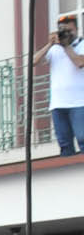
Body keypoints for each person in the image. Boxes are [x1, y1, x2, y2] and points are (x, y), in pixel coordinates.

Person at [41, 14, 84, 155]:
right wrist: (49, 44)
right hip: (58, 104)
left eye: (69, 30)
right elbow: (33, 62)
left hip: (79, 102)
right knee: (64, 144)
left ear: (76, 30)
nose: (67, 34)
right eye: (63, 31)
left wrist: (66, 46)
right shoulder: (54, 49)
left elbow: (79, 62)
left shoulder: (81, 44)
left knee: (82, 138)